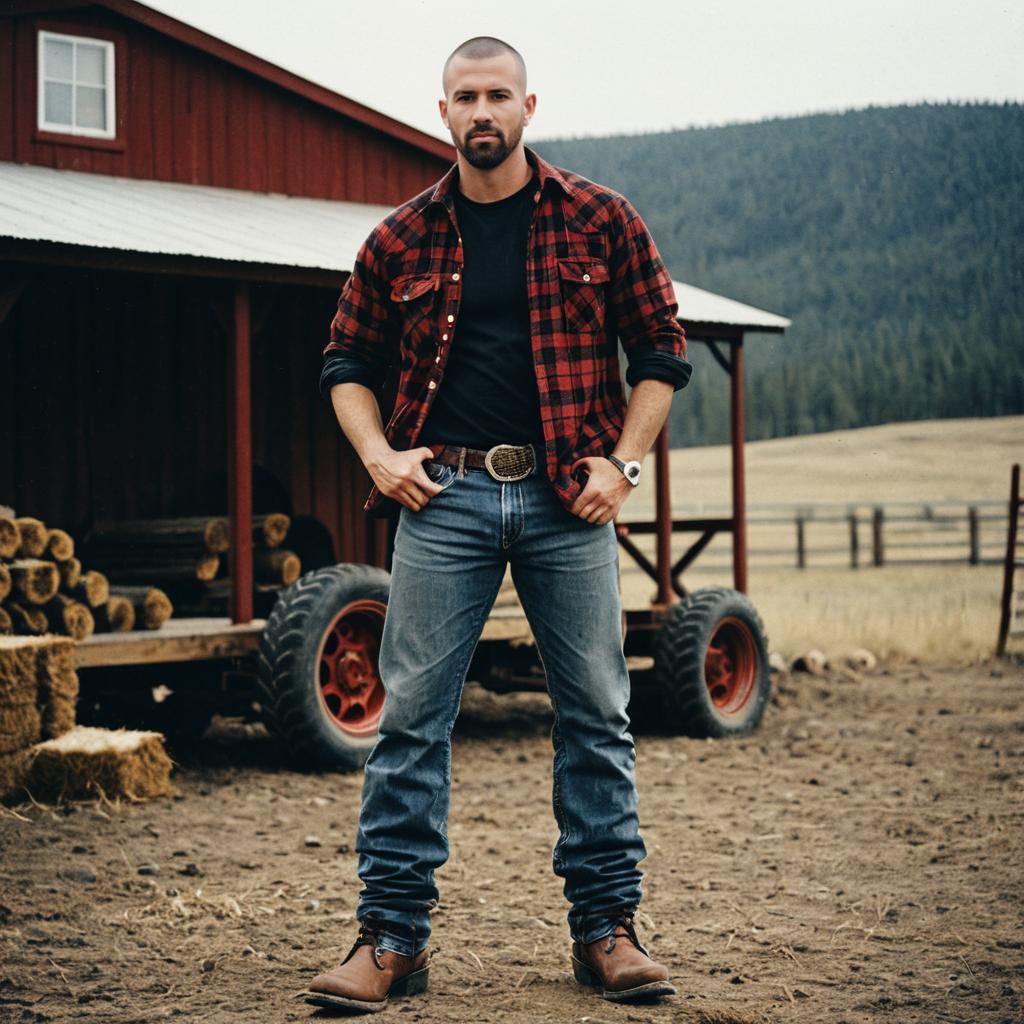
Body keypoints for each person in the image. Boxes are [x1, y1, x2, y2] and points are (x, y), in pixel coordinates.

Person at [307, 36, 692, 1012]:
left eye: (498, 94)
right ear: (443, 112)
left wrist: (624, 461)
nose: (483, 110)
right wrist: (379, 456)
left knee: (597, 714)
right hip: (446, 497)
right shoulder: (400, 237)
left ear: (528, 105)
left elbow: (660, 348)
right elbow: (344, 360)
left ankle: (606, 931)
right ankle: (391, 939)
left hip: (571, 499)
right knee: (411, 720)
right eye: (465, 96)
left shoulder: (601, 220)